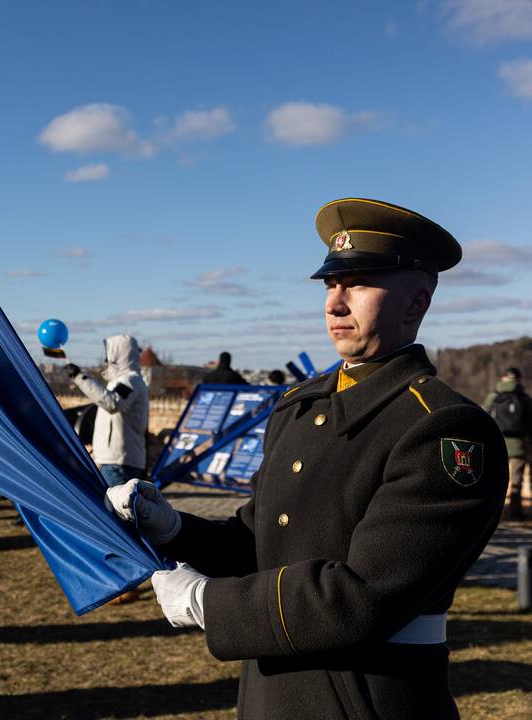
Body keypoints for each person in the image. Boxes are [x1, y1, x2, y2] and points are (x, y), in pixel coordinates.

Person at [106, 198, 507, 718]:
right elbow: (261, 541)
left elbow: (362, 598)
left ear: (416, 304)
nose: (335, 304)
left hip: (366, 700)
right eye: (330, 285)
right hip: (271, 693)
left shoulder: (442, 429)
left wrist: (208, 603)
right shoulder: (300, 407)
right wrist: (174, 530)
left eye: (359, 284)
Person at [65, 334, 149, 488]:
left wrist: (80, 378)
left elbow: (112, 403)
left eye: (109, 356)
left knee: (117, 510)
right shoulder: (120, 382)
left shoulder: (131, 381)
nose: (105, 361)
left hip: (119, 462)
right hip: (115, 460)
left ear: (119, 355)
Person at [482, 367, 532, 519]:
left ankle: (491, 512)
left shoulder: (494, 397)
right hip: (519, 445)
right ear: (518, 379)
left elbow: (482, 416)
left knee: (495, 479)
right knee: (517, 481)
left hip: (496, 443)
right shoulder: (525, 399)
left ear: (503, 378)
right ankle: (515, 513)